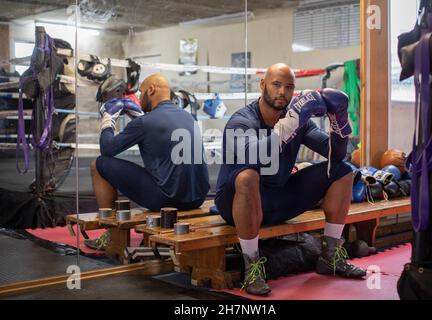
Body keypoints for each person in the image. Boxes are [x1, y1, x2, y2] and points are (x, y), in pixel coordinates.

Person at [215, 63, 366, 296]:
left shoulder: (297, 120)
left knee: (342, 170)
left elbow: (335, 154)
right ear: (263, 85)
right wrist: (291, 122)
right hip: (235, 203)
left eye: (289, 87)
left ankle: (330, 257)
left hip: (277, 199)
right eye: (276, 85)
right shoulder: (242, 121)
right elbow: (255, 156)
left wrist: (339, 123)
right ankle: (252, 268)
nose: (282, 92)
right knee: (248, 176)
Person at [90, 73, 210, 219]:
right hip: (198, 199)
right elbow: (159, 129)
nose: (139, 98)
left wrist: (108, 119)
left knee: (98, 164)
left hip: (167, 200)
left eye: (141, 92)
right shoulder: (188, 117)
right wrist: (139, 117)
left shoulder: (144, 123)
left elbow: (107, 149)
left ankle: (109, 233)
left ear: (151, 90)